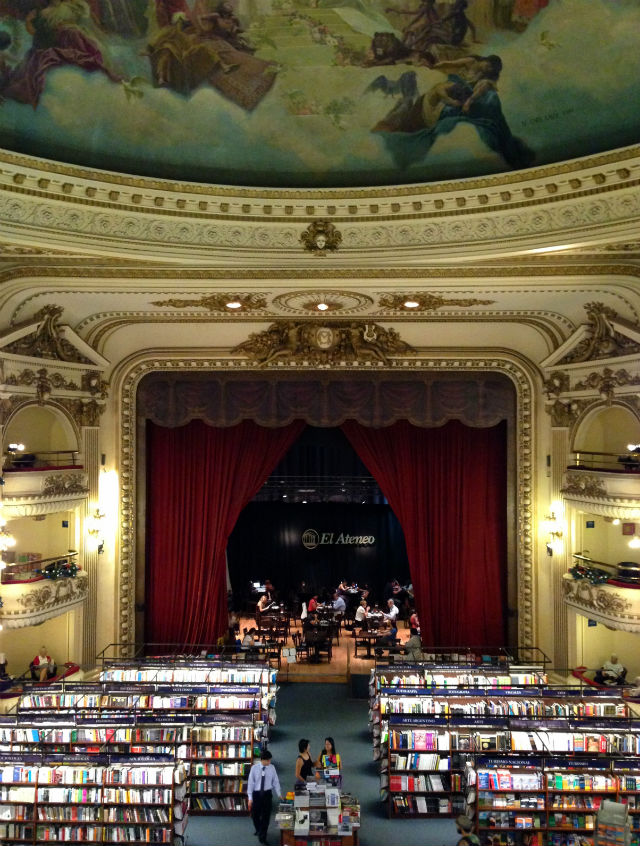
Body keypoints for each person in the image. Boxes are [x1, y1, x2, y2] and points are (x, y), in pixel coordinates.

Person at [247, 748, 281, 845]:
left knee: (266, 817)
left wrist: (279, 793)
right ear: (262, 760)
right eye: (268, 760)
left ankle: (263, 837)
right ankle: (259, 829)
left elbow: (276, 781)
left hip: (267, 794)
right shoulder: (254, 768)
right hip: (256, 794)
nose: (269, 762)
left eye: (270, 760)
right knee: (255, 815)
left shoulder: (272, 767)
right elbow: (250, 784)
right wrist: (250, 798)